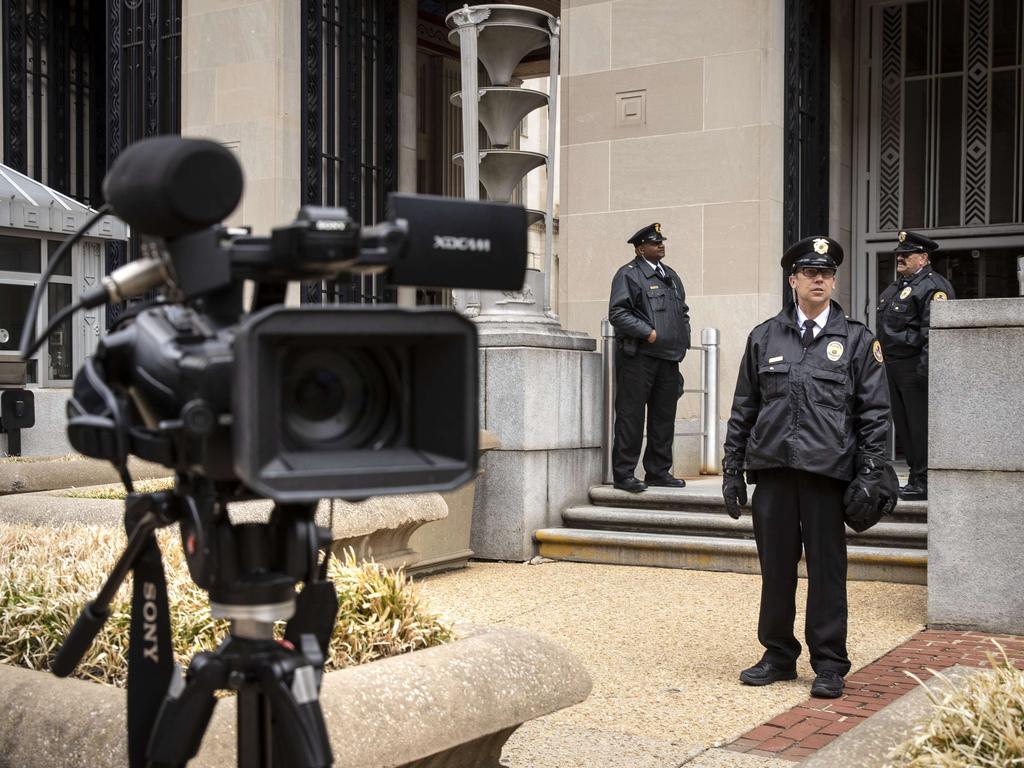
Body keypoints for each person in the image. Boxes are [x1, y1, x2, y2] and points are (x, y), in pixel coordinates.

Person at [722, 236, 897, 699]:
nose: (819, 279)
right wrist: (730, 470)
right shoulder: (764, 337)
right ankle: (778, 654)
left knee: (827, 572)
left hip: (827, 474)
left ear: (834, 280)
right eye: (810, 272)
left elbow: (875, 414)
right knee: (775, 570)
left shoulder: (857, 339)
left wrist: (870, 472)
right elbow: (744, 407)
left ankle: (830, 662)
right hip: (775, 473)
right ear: (793, 279)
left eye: (827, 273)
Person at [607, 222, 691, 493]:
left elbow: (683, 311)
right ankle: (624, 474)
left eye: (661, 241)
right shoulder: (629, 275)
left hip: (668, 358)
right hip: (639, 357)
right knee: (631, 417)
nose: (661, 245)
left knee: (663, 417)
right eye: (655, 243)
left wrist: (682, 336)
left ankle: (658, 471)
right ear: (640, 248)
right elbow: (618, 314)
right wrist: (650, 333)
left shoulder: (672, 275)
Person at [876, 231, 954, 501]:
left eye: (906, 254)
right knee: (905, 426)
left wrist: (926, 371)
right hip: (893, 366)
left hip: (915, 368)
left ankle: (924, 479)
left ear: (923, 257)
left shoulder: (933, 286)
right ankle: (915, 474)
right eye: (899, 253)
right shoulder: (897, 287)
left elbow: (933, 332)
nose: (900, 257)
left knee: (919, 426)